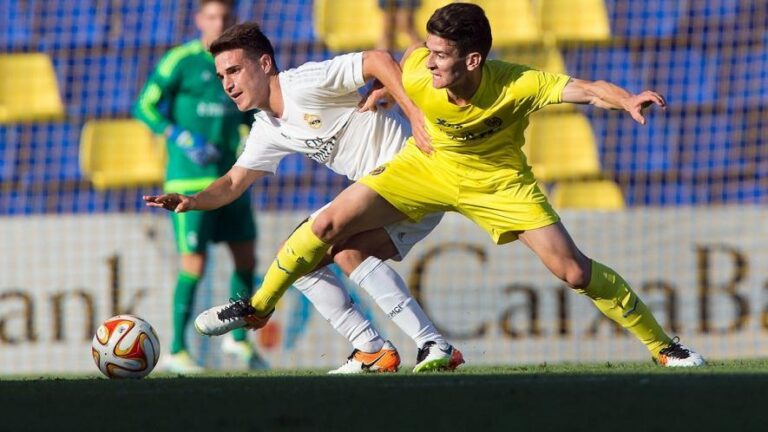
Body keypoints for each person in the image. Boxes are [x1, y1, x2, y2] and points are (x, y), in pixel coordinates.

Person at [193, 2, 706, 368]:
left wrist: (625, 99)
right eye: (430, 50)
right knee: (326, 228)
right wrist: (391, 95)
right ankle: (259, 306)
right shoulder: (420, 71)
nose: (429, 60)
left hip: (498, 184)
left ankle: (664, 346)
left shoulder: (517, 83)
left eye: (440, 54)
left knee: (572, 271)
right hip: (425, 168)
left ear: (472, 61)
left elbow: (588, 90)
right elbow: (396, 61)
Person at [144, 22, 464, 373]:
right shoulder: (267, 128)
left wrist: (414, 114)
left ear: (265, 64)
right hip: (384, 195)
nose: (227, 84)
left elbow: (377, 59)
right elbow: (233, 182)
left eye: (234, 70)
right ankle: (379, 349)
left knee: (311, 238)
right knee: (311, 260)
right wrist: (194, 200)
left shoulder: (304, 83)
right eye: (221, 76)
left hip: (412, 171)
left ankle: (424, 344)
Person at [133, 0, 266, 373]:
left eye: (225, 17)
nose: (218, 23)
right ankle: (177, 349)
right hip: (189, 178)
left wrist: (247, 138)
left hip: (231, 179)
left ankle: (238, 338)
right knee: (194, 262)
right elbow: (145, 106)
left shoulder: (240, 63)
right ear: (199, 20)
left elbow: (253, 113)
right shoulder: (181, 61)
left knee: (246, 258)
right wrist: (180, 136)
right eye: (212, 16)